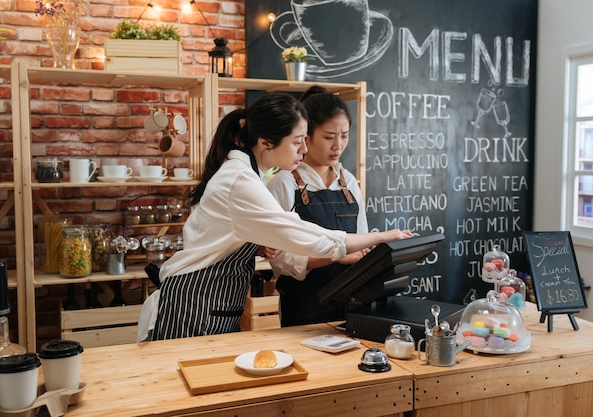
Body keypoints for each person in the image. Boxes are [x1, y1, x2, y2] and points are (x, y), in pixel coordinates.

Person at [138, 92, 412, 342]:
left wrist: (257, 244)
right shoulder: (240, 180)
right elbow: (298, 233)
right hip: (195, 303)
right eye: (296, 142)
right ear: (266, 142)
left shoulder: (247, 175)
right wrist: (384, 236)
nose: (303, 150)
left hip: (214, 303)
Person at [267, 86, 370, 326]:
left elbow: (361, 241)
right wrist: (336, 254)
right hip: (305, 310)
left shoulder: (349, 182)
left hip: (352, 307)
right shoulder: (284, 182)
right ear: (306, 135)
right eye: (329, 137)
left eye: (344, 135)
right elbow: (280, 260)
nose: (338, 145)